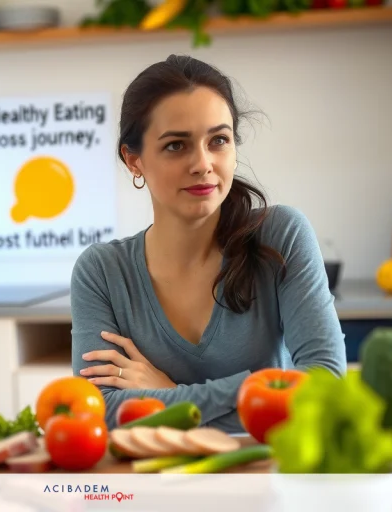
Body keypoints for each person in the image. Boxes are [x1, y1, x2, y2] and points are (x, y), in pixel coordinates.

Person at [70, 54, 347, 433]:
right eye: (175, 146)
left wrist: (167, 393)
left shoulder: (282, 235)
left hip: (265, 479)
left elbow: (324, 386)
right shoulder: (101, 272)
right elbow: (100, 410)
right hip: (155, 484)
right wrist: (258, 390)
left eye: (218, 140)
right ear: (133, 160)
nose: (203, 163)